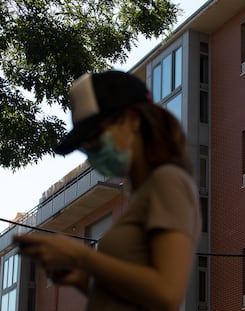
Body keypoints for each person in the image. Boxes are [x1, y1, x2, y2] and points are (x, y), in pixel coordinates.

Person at [14, 70, 201, 311]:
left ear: (133, 119)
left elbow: (167, 293)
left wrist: (81, 257)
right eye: (84, 148)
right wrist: (83, 281)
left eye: (94, 139)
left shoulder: (168, 180)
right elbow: (135, 297)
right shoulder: (145, 192)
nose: (91, 154)